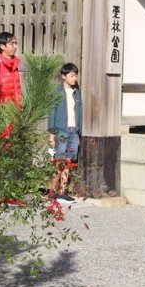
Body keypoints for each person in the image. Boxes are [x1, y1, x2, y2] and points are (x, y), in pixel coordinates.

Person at [47, 62, 82, 203]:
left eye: (76, 76)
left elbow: (80, 113)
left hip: (74, 132)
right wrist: (51, 134)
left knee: (68, 161)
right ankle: (52, 191)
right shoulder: (57, 92)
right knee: (59, 161)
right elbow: (52, 113)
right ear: (64, 76)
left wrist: (79, 133)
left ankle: (62, 191)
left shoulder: (77, 93)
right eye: (72, 75)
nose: (74, 78)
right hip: (61, 131)